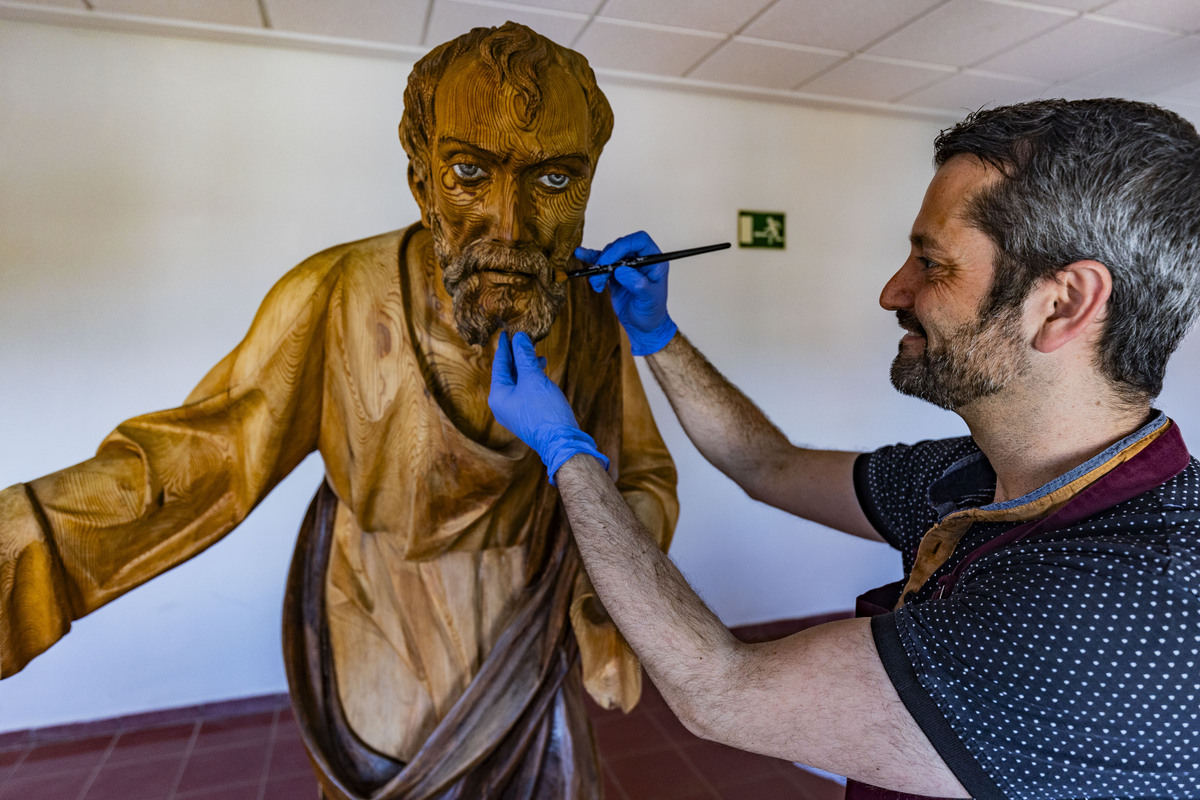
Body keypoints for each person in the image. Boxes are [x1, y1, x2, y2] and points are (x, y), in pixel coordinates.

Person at [0, 22, 678, 800]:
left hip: (532, 635)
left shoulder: (589, 319)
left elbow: (644, 474)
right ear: (420, 179)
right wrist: (29, 539)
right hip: (380, 631)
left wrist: (605, 603)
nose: (512, 224)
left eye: (554, 180)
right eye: (467, 172)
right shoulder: (335, 296)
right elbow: (203, 461)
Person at [488, 97, 1200, 799]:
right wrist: (656, 333)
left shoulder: (1118, 605)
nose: (893, 291)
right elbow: (768, 465)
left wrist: (568, 455)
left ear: (1063, 303)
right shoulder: (973, 477)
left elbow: (722, 693)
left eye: (932, 261)